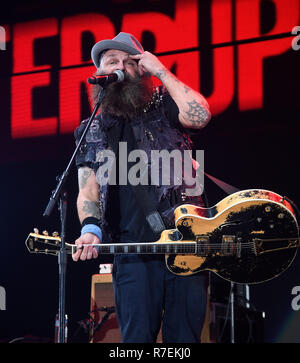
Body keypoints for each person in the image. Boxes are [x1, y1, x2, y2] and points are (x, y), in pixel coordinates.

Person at [72, 32, 211, 343]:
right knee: (136, 341)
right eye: (112, 62)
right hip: (132, 251)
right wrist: (90, 230)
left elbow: (201, 115)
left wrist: (161, 70)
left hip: (187, 242)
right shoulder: (90, 128)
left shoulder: (165, 105)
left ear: (142, 69)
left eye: (129, 62)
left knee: (185, 341)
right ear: (99, 74)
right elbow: (88, 189)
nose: (120, 67)